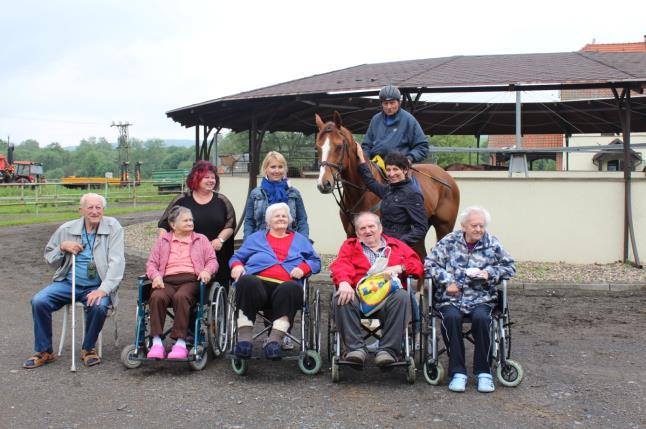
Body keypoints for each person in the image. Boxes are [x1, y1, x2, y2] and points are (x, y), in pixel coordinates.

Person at [23, 193, 124, 369]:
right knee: (39, 301)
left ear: (103, 210)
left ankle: (88, 349)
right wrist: (62, 247)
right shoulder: (67, 229)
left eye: (98, 207)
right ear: (81, 210)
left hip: (97, 285)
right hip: (68, 283)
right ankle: (44, 351)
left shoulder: (113, 227)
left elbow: (117, 263)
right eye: (90, 207)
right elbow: (49, 257)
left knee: (99, 305)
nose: (94, 211)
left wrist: (104, 289)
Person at [425, 206, 516, 393]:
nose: (478, 230)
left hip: (481, 297)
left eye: (481, 226)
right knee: (451, 318)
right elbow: (429, 264)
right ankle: (458, 373)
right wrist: (447, 281)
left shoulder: (492, 243)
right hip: (450, 298)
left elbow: (510, 267)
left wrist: (488, 273)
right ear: (464, 226)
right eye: (474, 225)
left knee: (482, 319)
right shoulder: (449, 242)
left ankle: (484, 373)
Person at [330, 211, 423, 366]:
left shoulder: (396, 245)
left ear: (380, 228)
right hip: (360, 297)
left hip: (389, 299)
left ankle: (388, 351)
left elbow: (418, 265)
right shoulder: (350, 246)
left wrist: (400, 267)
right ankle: (355, 349)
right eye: (362, 228)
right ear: (357, 233)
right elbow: (341, 264)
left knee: (403, 296)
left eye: (371, 226)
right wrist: (344, 282)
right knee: (342, 297)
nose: (368, 231)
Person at [230, 203, 320, 360]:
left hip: (286, 286)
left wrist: (304, 268)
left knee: (291, 288)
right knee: (246, 281)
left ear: (289, 221)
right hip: (258, 285)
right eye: (277, 216)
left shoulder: (300, 240)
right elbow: (237, 257)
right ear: (268, 222)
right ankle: (244, 340)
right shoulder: (255, 238)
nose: (281, 219)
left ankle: (274, 341)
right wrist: (237, 266)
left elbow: (315, 261)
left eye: (284, 216)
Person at [145, 206, 217, 360]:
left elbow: (212, 261)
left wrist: (206, 271)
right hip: (167, 280)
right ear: (173, 224)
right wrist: (155, 276)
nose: (190, 222)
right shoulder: (163, 241)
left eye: (191, 220)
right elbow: (151, 263)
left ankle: (180, 343)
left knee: (182, 297)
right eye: (185, 220)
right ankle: (156, 342)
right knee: (157, 296)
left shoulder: (201, 239)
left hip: (192, 280)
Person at [158, 160, 235, 285]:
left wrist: (220, 240)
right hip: (186, 258)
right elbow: (164, 224)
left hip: (216, 254)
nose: (211, 180)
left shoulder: (222, 201)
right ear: (196, 178)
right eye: (206, 177)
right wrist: (163, 246)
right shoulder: (182, 200)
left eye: (213, 177)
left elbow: (230, 224)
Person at [356, 145, 428, 247]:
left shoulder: (413, 194)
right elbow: (371, 182)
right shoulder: (388, 189)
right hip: (383, 242)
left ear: (405, 170)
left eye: (395, 169)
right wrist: (361, 159)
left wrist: (400, 243)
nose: (391, 173)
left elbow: (421, 228)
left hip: (398, 246)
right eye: (388, 170)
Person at [243, 151, 309, 240]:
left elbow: (302, 221)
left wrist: (303, 242)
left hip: (290, 244)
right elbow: (249, 222)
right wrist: (248, 242)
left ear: (284, 169)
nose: (277, 171)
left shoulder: (294, 193)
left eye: (280, 167)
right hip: (261, 244)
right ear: (266, 169)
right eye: (273, 167)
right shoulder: (255, 194)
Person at [361, 85, 429, 165]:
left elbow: (422, 146)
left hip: (398, 167)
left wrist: (409, 159)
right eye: (385, 103)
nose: (389, 107)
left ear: (399, 102)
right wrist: (367, 161)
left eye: (392, 103)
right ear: (381, 104)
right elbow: (366, 145)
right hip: (376, 165)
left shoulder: (409, 120)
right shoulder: (375, 119)